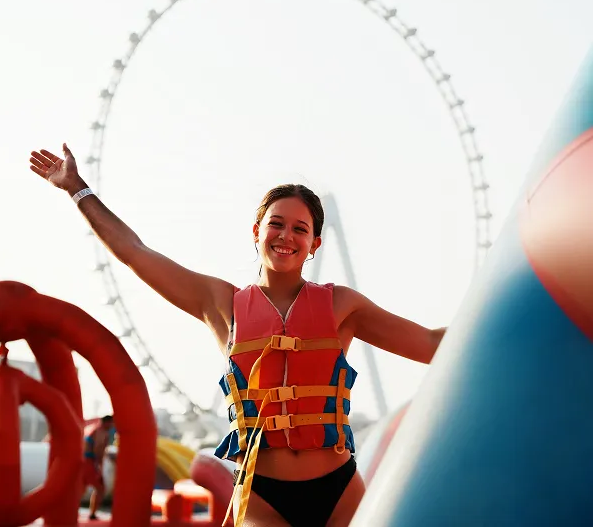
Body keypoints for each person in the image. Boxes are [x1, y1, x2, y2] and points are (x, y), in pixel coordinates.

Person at [29, 144, 446, 527]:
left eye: (300, 229)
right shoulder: (220, 303)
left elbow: (431, 345)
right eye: (276, 224)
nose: (286, 236)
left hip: (340, 492)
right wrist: (78, 190)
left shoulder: (343, 305)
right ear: (256, 231)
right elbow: (136, 253)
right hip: (263, 496)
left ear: (315, 243)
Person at [82, 414, 115, 520]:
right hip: (90, 462)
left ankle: (68, 510)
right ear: (108, 423)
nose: (113, 426)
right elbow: (98, 449)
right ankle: (92, 513)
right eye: (112, 423)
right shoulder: (101, 431)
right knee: (101, 488)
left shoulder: (94, 429)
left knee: (81, 488)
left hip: (84, 461)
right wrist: (99, 465)